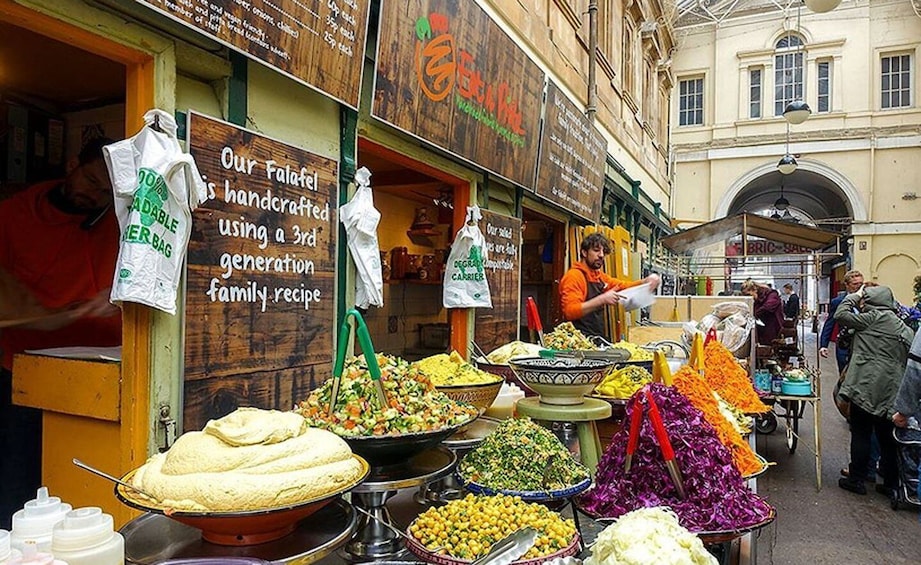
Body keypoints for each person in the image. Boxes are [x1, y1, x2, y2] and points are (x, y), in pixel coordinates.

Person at [0, 137, 122, 528]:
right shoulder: (13, 215)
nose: (95, 195)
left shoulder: (121, 218)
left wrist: (120, 296)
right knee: (17, 481)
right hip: (19, 370)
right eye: (90, 180)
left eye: (107, 191)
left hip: (102, 373)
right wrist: (37, 314)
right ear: (72, 163)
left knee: (85, 487)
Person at [835, 285, 914, 496]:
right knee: (887, 438)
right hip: (891, 390)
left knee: (861, 432)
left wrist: (855, 295)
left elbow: (840, 314)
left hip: (865, 385)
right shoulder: (903, 327)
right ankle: (890, 484)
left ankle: (857, 479)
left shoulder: (871, 319)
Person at [559, 233, 660, 339]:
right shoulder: (574, 276)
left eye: (603, 252)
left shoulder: (599, 277)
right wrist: (602, 299)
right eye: (596, 250)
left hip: (595, 338)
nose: (601, 255)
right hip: (576, 341)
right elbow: (569, 311)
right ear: (584, 252)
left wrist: (646, 282)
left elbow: (623, 286)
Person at [819, 270, 865, 373]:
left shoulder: (868, 299)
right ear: (847, 285)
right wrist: (823, 345)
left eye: (860, 284)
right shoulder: (838, 301)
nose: (858, 286)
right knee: (844, 375)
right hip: (845, 346)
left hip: (863, 346)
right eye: (855, 284)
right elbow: (830, 323)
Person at [740, 279, 784, 345]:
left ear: (755, 290)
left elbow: (767, 307)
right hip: (765, 328)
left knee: (768, 347)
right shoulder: (759, 298)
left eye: (749, 294)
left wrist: (754, 314)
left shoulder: (772, 295)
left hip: (773, 328)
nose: (749, 297)